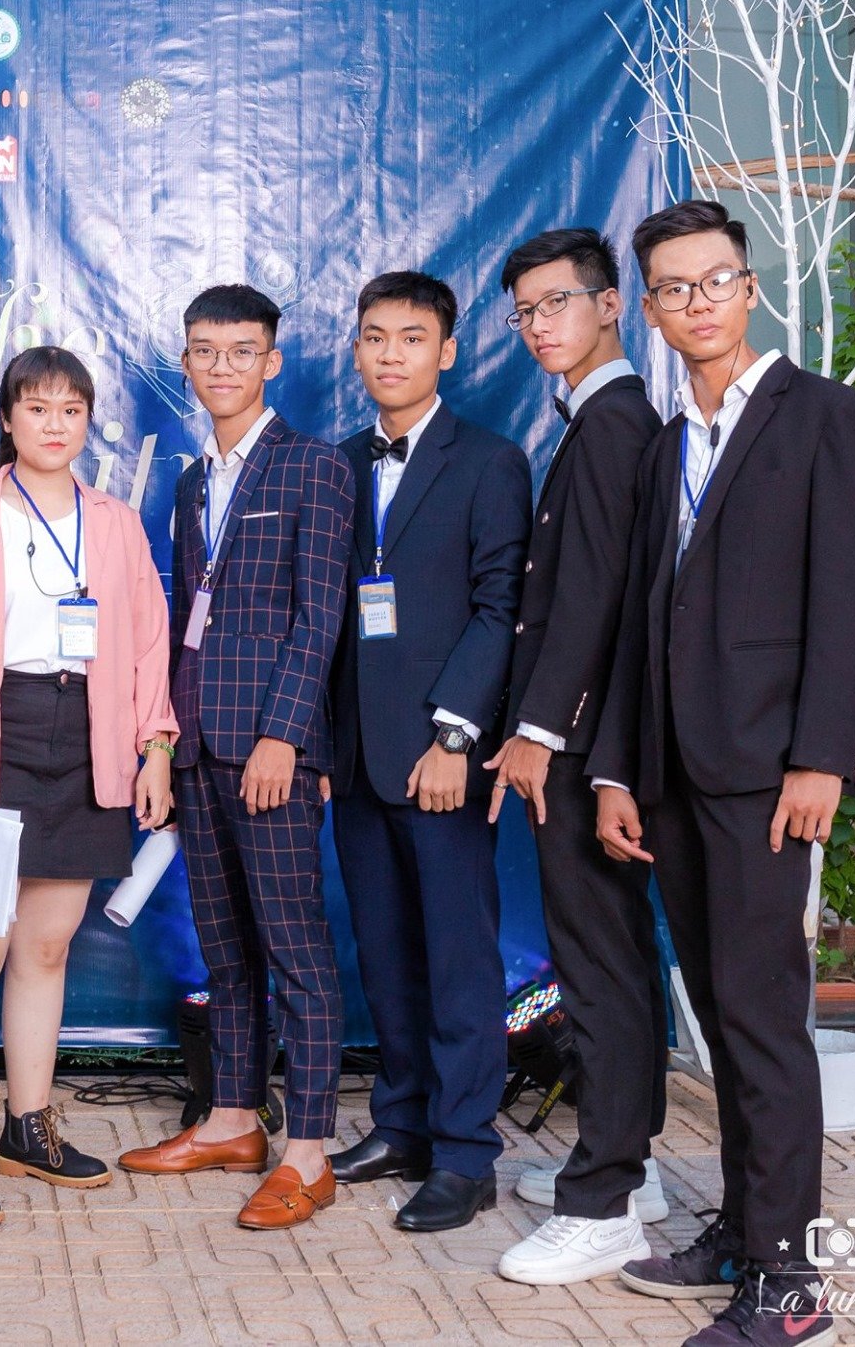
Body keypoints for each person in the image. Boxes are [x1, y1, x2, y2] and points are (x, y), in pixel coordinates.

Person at [591, 200, 855, 1347]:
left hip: (768, 774)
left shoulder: (824, 417)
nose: (692, 304)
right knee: (715, 1019)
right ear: (652, 309)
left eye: (710, 281)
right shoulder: (669, 441)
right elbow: (639, 623)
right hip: (670, 770)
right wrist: (616, 770)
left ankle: (788, 1278)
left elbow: (851, 601)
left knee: (760, 1021)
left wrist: (819, 756)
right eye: (669, 289)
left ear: (747, 287)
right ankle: (742, 1229)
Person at [0, 346, 177, 1228]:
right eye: (37, 408)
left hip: (89, 732)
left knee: (47, 947)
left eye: (71, 410)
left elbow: (145, 646)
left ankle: (29, 1125)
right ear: (9, 422)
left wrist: (155, 745)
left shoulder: (118, 524)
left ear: (88, 423)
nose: (55, 424)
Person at [116, 284, 356, 1235]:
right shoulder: (188, 484)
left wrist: (284, 738)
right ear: (186, 361)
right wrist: (167, 740)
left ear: (273, 362)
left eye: (240, 350)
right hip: (199, 743)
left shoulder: (316, 468)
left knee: (296, 950)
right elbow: (186, 623)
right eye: (204, 351)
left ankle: (308, 1150)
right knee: (225, 951)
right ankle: (229, 1121)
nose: (221, 366)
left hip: (269, 750)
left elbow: (321, 615)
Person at [326, 270, 531, 1233]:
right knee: (387, 953)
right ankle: (402, 1122)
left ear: (447, 351)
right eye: (375, 337)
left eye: (412, 337)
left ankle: (464, 1151)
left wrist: (456, 734)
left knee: (457, 959)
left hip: (438, 756)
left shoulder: (490, 462)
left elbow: (501, 611)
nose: (392, 353)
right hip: (360, 759)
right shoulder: (337, 463)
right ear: (357, 350)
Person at [487, 228, 672, 1286]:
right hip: (595, 737)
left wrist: (538, 730)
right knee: (611, 955)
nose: (537, 326)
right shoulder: (597, 419)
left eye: (555, 304)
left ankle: (601, 1196)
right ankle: (629, 1163)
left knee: (596, 961)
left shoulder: (608, 425)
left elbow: (591, 598)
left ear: (608, 306)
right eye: (523, 312)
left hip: (581, 744)